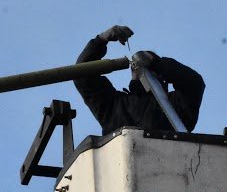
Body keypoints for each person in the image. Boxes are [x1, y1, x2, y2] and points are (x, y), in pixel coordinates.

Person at [74, 25, 205, 135]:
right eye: (136, 66)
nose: (139, 68)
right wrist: (101, 40)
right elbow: (82, 74)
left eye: (147, 65)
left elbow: (194, 83)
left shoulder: (175, 106)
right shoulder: (114, 107)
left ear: (161, 74)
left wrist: (156, 63)